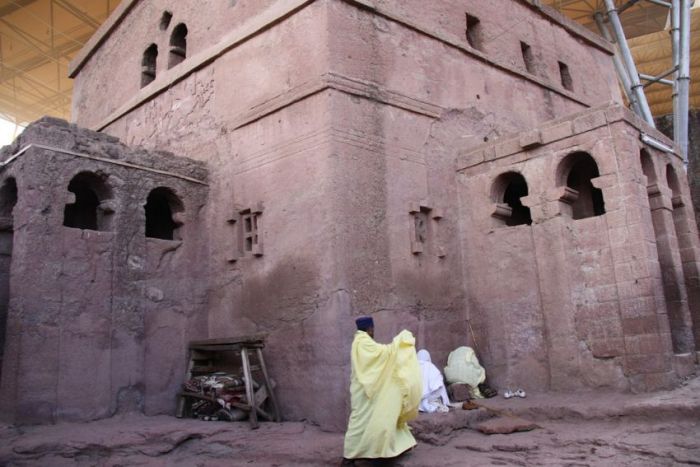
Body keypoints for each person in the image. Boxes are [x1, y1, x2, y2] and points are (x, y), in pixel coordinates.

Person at [341, 316, 422, 466]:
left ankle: (385, 451)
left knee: (381, 419)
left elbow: (378, 357)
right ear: (369, 329)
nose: (373, 331)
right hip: (365, 393)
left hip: (367, 391)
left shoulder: (361, 342)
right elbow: (382, 355)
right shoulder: (362, 342)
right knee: (360, 423)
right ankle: (349, 457)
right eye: (373, 329)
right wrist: (399, 343)